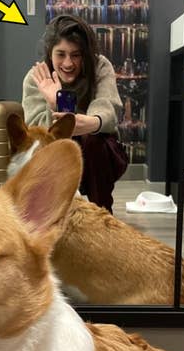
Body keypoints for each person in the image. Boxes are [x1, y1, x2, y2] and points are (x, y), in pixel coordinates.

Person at [21, 14, 128, 212]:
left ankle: (103, 216)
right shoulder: (35, 78)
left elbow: (107, 107)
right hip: (52, 155)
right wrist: (55, 103)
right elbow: (37, 134)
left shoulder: (100, 66)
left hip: (98, 155)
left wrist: (93, 122)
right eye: (61, 54)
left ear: (85, 54)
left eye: (76, 55)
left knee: (93, 142)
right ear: (49, 53)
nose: (68, 63)